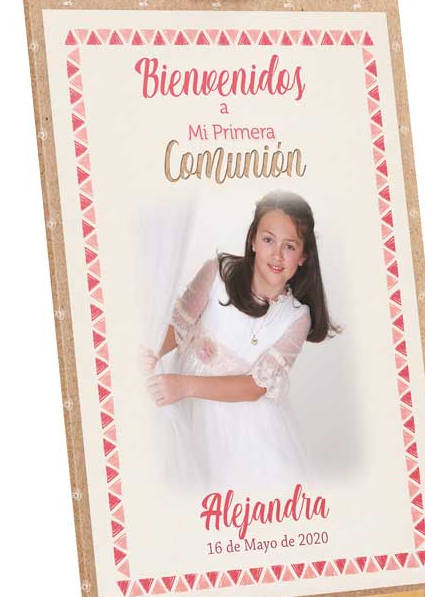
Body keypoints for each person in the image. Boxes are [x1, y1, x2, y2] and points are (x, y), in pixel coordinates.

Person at [144, 190, 339, 490]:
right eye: (268, 239)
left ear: (303, 256)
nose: (277, 254)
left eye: (289, 246)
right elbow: (180, 325)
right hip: (192, 410)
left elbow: (255, 386)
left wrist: (183, 386)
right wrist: (152, 352)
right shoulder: (217, 274)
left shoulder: (296, 318)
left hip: (248, 427)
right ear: (253, 240)